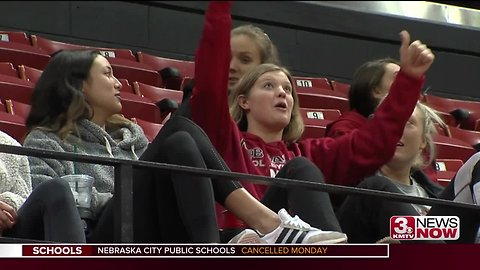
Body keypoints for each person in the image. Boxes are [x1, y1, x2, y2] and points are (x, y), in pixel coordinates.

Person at [22, 48, 347, 244]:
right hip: (103, 240)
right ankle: (261, 227)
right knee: (179, 128)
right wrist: (111, 196)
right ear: (76, 86)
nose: (119, 82)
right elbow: (47, 201)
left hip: (154, 234)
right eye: (107, 74)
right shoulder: (46, 141)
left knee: (181, 137)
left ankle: (218, 244)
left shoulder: (133, 140)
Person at [187, 0, 435, 236]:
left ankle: (443, 258)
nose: (282, 92)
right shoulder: (225, 141)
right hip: (252, 240)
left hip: (306, 247)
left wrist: (409, 79)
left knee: (378, 188)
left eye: (287, 89)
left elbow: (372, 145)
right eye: (269, 85)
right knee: (300, 170)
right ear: (244, 101)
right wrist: (220, 8)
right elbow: (209, 89)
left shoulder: (307, 153)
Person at [336, 102, 447, 243]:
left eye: (407, 123)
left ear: (423, 142)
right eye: (390, 121)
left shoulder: (439, 199)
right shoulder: (348, 182)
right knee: (378, 186)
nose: (397, 128)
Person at [324, 58, 438, 185]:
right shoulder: (345, 128)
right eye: (399, 77)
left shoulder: (418, 133)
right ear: (376, 90)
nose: (407, 83)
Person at [0, 130, 85, 243]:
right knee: (56, 188)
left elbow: (23, 197)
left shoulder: (9, 144)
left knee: (56, 189)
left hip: (9, 230)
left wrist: (8, 205)